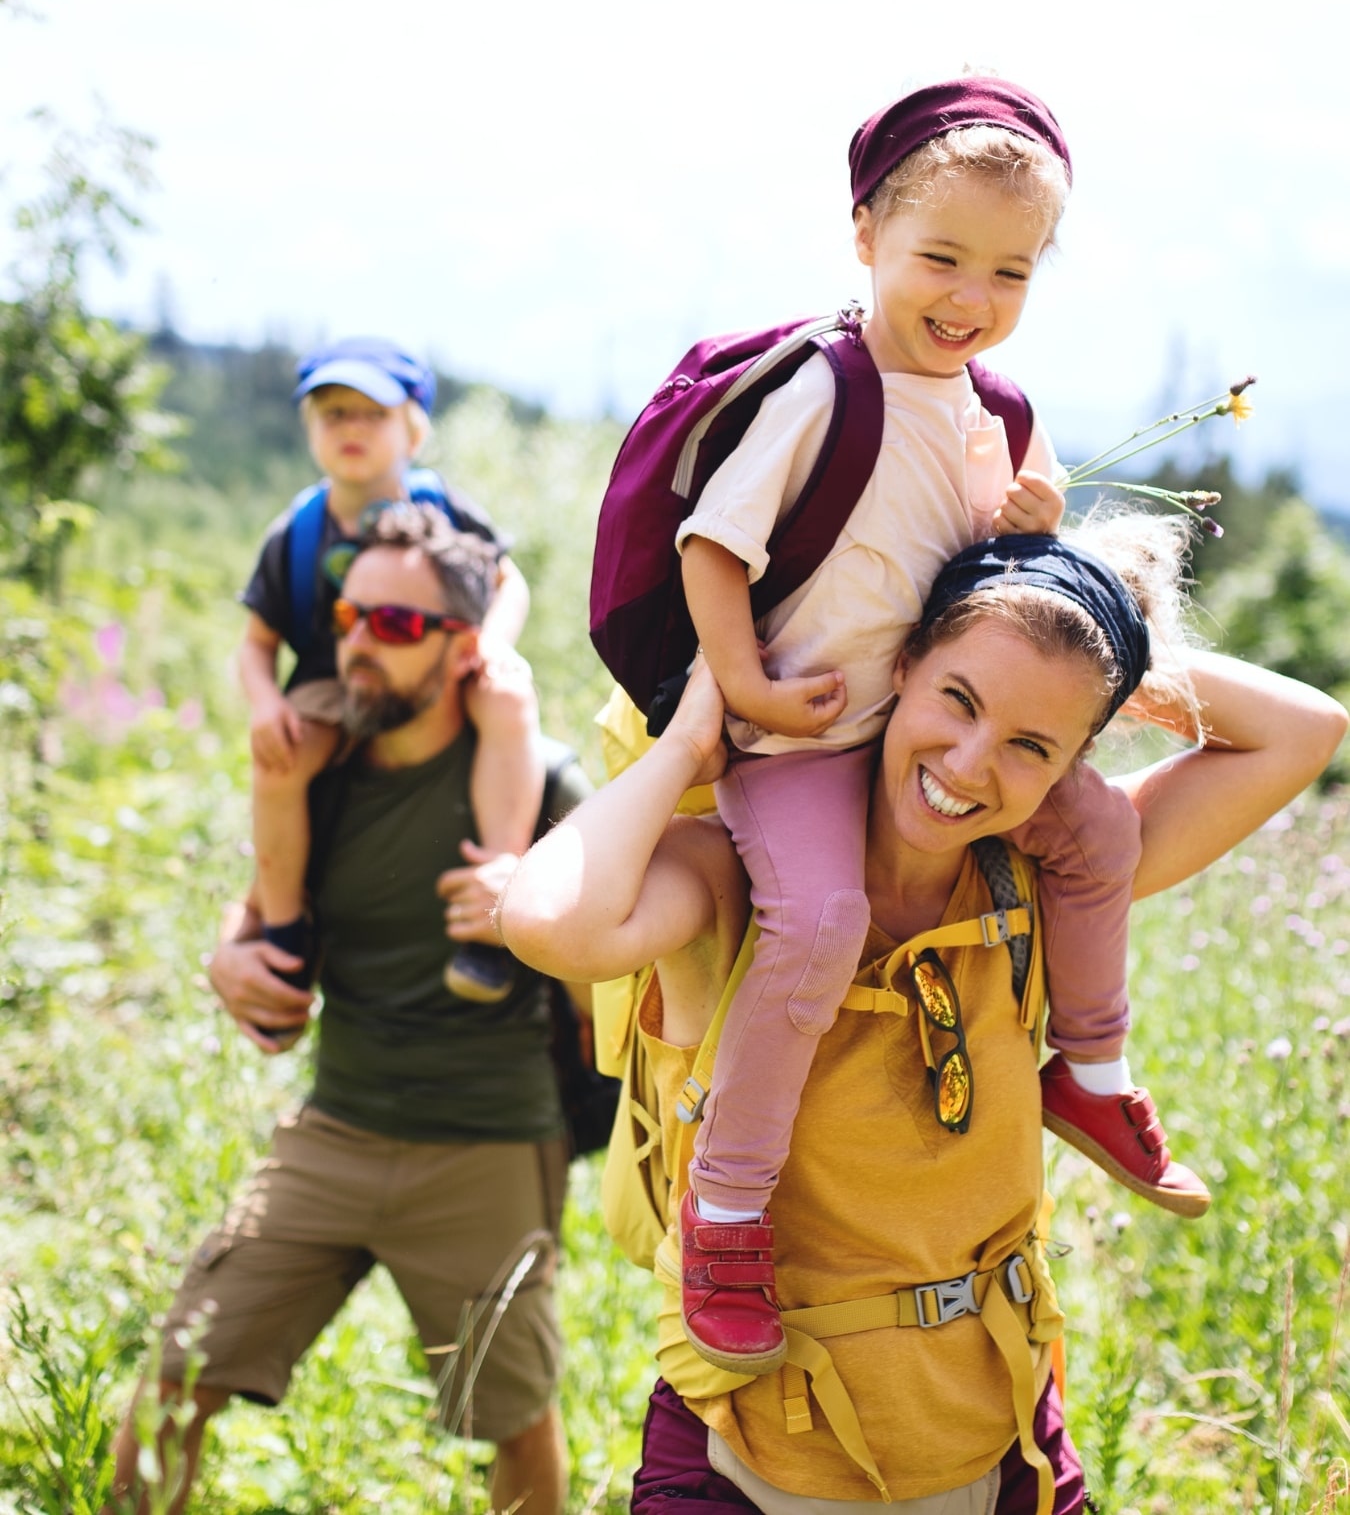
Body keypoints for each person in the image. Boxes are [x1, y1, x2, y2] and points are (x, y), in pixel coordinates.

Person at [502, 516, 1347, 1513]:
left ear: (1071, 763)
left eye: (1032, 744)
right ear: (897, 665)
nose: (972, 764)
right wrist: (691, 737)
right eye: (959, 697)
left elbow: (1306, 729)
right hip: (746, 1457)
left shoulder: (1046, 883)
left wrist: (1090, 632)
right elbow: (549, 921)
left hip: (1002, 1450)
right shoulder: (736, 881)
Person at [656, 76, 1201, 1369]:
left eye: (1007, 273)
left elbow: (1011, 559)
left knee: (1095, 835)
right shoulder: (822, 388)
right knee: (820, 918)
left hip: (918, 725)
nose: (970, 297)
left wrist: (1026, 519)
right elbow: (711, 545)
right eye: (939, 258)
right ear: (864, 237)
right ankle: (726, 1206)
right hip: (802, 734)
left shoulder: (992, 410)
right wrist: (742, 688)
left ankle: (1092, 1065)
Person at [110, 504, 589, 1515]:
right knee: (171, 1382)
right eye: (349, 616)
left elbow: (623, 967)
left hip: (489, 1144)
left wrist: (537, 922)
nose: (360, 643)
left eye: (398, 625)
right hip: (335, 1130)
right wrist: (225, 964)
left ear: (465, 649)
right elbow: (256, 920)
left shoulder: (541, 785)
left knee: (514, 1417)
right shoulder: (322, 771)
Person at [240, 336, 543, 1004]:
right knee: (279, 763)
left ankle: (493, 892)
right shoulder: (296, 531)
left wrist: (491, 644)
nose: (351, 429)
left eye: (371, 414)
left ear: (413, 428)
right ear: (309, 428)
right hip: (331, 679)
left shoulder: (446, 508)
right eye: (332, 413)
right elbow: (257, 641)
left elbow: (507, 581)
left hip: (437, 665)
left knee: (509, 701)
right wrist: (266, 704)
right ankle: (285, 927)